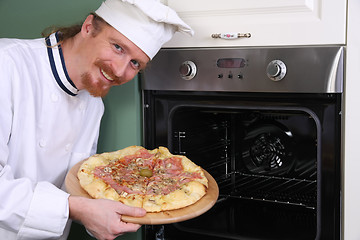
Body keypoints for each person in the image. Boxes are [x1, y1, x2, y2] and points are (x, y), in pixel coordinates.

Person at [0, 0, 193, 239]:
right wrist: (77, 209)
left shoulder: (93, 104)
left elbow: (80, 185)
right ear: (89, 27)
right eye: (118, 47)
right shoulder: (6, 64)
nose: (121, 71)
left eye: (135, 63)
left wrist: (105, 214)